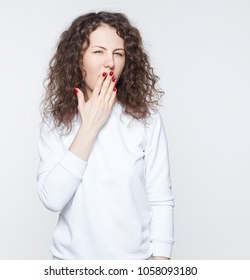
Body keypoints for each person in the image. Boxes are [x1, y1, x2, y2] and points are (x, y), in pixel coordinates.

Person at [37, 11, 174, 260]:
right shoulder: (56, 121)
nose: (109, 62)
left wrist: (161, 266)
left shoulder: (145, 118)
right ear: (78, 59)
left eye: (118, 54)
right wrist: (89, 126)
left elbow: (160, 197)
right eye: (98, 52)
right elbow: (52, 198)